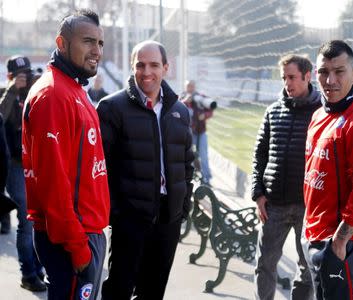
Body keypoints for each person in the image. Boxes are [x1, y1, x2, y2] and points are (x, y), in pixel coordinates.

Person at [22, 9, 110, 299]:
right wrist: (78, 247)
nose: (96, 51)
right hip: (73, 239)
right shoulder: (53, 95)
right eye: (87, 42)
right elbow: (54, 185)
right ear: (62, 43)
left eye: (100, 43)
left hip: (86, 232)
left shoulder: (73, 89)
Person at [97, 40, 194, 300]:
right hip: (130, 220)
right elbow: (100, 168)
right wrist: (115, 213)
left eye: (154, 65)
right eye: (140, 65)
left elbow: (187, 163)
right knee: (118, 289)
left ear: (166, 68)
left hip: (168, 219)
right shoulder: (111, 108)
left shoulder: (180, 111)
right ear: (132, 67)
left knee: (153, 291)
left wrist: (183, 206)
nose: (146, 71)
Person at [301, 40, 353, 300]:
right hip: (317, 235)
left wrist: (340, 240)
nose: (330, 80)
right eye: (323, 72)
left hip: (345, 241)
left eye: (339, 71)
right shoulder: (319, 115)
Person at [252, 54, 320, 300]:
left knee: (308, 268)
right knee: (264, 264)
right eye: (284, 78)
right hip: (274, 206)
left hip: (307, 206)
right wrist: (258, 194)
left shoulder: (323, 112)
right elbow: (259, 155)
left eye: (292, 77)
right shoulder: (272, 112)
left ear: (307, 76)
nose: (287, 83)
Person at [0, 55, 46, 291]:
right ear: (9, 76)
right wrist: (11, 90)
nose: (23, 77)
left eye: (26, 73)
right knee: (27, 220)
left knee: (39, 219)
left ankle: (37, 269)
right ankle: (28, 273)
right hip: (16, 164)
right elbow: (2, 117)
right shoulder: (5, 93)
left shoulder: (35, 89)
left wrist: (34, 84)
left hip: (37, 162)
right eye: (18, 74)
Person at [180, 80, 213, 185]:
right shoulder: (182, 97)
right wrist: (186, 101)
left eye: (192, 86)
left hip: (200, 132)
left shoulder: (200, 97)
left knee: (203, 155)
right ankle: (188, 177)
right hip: (187, 133)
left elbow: (210, 108)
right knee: (187, 155)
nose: (190, 88)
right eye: (188, 86)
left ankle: (206, 178)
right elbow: (176, 109)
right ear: (185, 87)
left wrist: (204, 115)